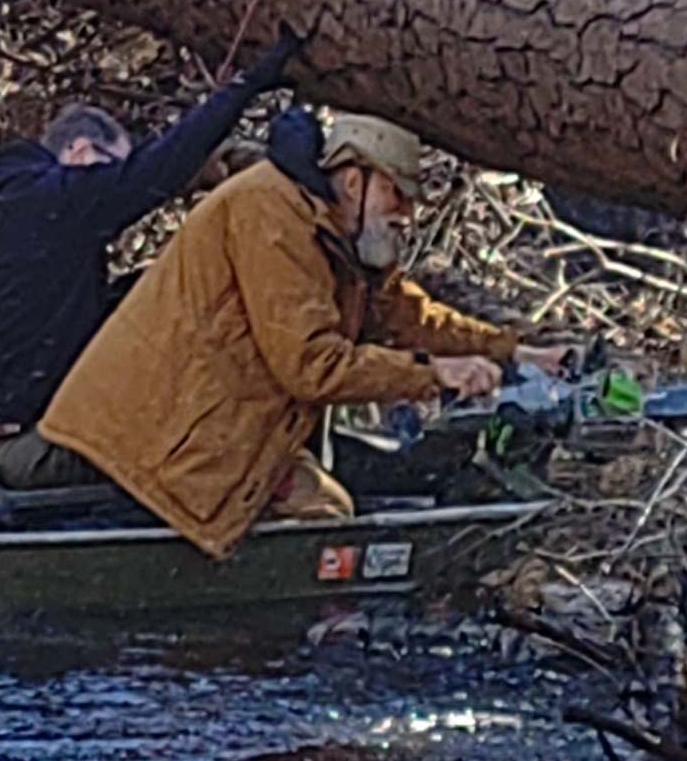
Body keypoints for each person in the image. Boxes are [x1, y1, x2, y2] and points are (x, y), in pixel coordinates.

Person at [36, 107, 517, 555]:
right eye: (398, 195)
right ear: (355, 182)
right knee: (327, 516)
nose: (406, 214)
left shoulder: (333, 229)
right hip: (160, 438)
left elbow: (404, 314)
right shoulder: (273, 217)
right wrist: (432, 373)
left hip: (202, 424)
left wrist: (510, 349)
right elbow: (312, 367)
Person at [0, 28, 306, 445]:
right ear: (78, 152)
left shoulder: (12, 204)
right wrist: (250, 83)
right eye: (107, 165)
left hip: (0, 414)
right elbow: (157, 170)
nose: (108, 181)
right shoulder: (56, 201)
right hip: (27, 433)